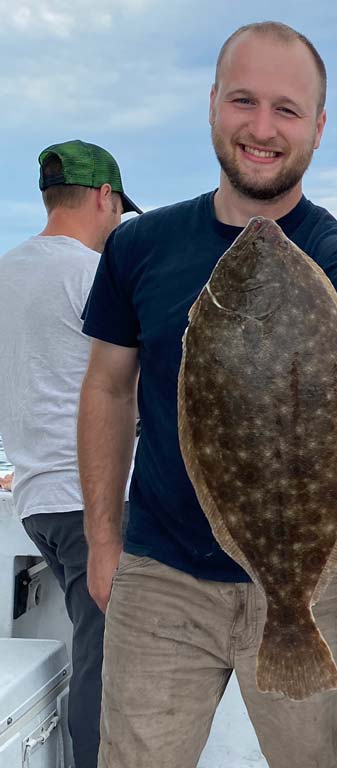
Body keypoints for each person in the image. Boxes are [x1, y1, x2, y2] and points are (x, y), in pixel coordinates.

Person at [77, 22, 337, 768]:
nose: (262, 127)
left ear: (318, 127)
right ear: (213, 103)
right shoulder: (138, 246)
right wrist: (101, 540)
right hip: (161, 578)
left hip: (308, 582)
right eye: (243, 100)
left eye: (287, 109)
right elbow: (107, 389)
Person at [0, 139, 141, 768]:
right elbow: (134, 385)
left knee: (100, 647)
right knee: (109, 663)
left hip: (36, 503)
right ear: (105, 198)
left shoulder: (8, 273)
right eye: (116, 211)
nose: (115, 225)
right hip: (94, 504)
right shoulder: (91, 275)